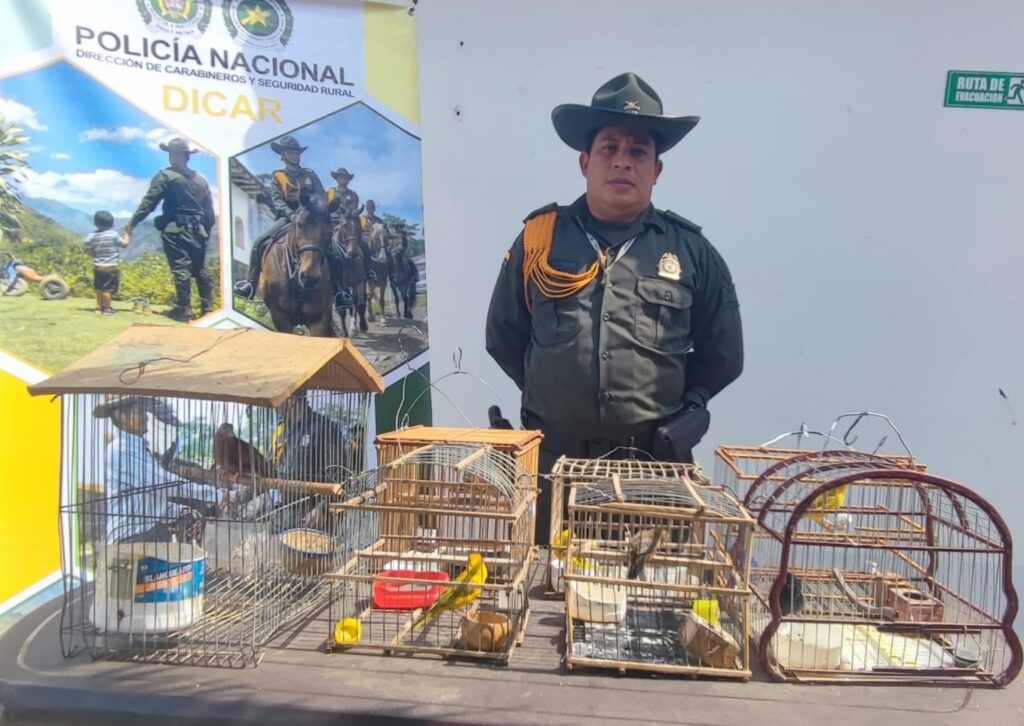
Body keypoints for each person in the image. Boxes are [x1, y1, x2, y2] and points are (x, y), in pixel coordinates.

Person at [485, 72, 744, 543]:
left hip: (654, 476)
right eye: (609, 148)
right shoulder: (539, 240)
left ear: (656, 170)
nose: (622, 161)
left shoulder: (690, 252)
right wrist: (555, 394)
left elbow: (724, 354)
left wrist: (691, 406)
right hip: (553, 471)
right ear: (585, 162)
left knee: (655, 598)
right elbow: (503, 336)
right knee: (549, 594)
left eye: (638, 152)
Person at [93, 396, 224, 544]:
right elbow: (164, 484)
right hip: (131, 540)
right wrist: (217, 495)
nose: (146, 418)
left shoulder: (140, 450)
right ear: (120, 416)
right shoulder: (123, 451)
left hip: (147, 535)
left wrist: (182, 513)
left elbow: (152, 500)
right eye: (139, 412)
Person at [233, 135, 346, 302]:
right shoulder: (277, 177)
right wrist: (292, 214)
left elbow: (321, 197)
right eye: (290, 152)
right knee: (259, 243)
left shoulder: (310, 175)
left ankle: (339, 291)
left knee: (336, 251)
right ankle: (250, 283)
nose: (294, 155)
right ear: (283, 155)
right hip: (287, 218)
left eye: (296, 152)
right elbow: (278, 201)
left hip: (311, 219)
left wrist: (318, 210)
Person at [125, 137, 216, 322]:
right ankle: (208, 309)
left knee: (181, 268)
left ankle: (184, 310)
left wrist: (133, 223)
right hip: (198, 231)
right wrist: (205, 230)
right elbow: (209, 211)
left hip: (175, 230)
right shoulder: (201, 180)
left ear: (174, 155)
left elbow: (149, 203)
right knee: (200, 270)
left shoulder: (165, 176)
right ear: (187, 156)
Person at [83, 210, 128, 315]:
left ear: (95, 223)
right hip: (110, 267)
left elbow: (86, 247)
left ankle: (99, 307)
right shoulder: (114, 235)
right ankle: (107, 309)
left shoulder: (92, 236)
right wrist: (127, 234)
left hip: (98, 266)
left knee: (99, 288)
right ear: (112, 224)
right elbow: (124, 244)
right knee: (107, 289)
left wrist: (93, 254)